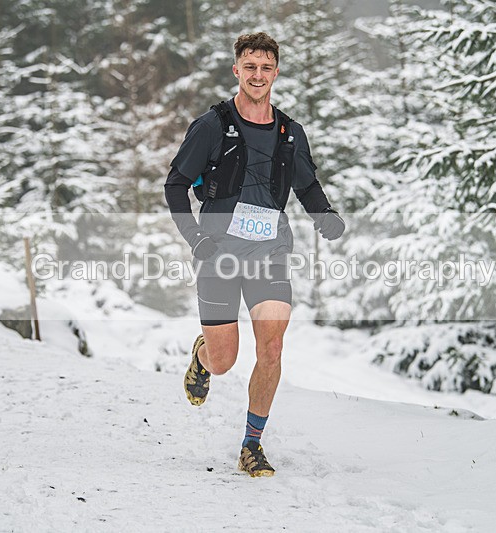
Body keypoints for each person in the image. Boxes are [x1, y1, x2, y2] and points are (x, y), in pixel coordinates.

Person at [164, 32, 345, 477]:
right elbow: (174, 185)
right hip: (218, 252)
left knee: (273, 347)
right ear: (236, 71)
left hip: (269, 250)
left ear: (276, 72)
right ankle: (203, 355)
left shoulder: (289, 133)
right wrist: (196, 239)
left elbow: (304, 184)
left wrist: (324, 215)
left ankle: (252, 444)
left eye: (266, 67)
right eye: (250, 67)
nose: (258, 75)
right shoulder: (211, 126)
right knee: (225, 360)